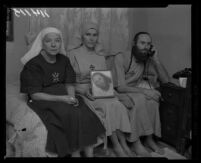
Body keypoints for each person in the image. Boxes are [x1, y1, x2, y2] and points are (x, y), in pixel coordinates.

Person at [20, 27, 105, 157]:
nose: (54, 44)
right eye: (49, 41)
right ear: (42, 43)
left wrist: (71, 97)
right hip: (44, 99)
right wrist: (63, 99)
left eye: (57, 41)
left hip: (64, 94)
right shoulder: (33, 64)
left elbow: (69, 83)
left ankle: (89, 153)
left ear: (61, 43)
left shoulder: (64, 60)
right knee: (69, 113)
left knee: (84, 112)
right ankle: (75, 153)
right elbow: (35, 95)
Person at [68, 22, 133, 157]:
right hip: (83, 92)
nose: (91, 38)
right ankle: (117, 146)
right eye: (88, 34)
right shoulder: (73, 54)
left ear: (97, 37)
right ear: (82, 37)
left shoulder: (100, 56)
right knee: (108, 106)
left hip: (101, 90)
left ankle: (124, 144)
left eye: (94, 35)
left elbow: (105, 80)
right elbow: (67, 82)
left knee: (118, 105)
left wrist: (118, 95)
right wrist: (83, 91)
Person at [114, 32, 170, 156]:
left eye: (148, 44)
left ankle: (149, 139)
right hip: (119, 92)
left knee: (153, 99)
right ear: (134, 44)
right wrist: (145, 91)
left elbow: (166, 80)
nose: (145, 46)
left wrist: (156, 59)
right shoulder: (121, 57)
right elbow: (121, 87)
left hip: (134, 90)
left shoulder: (146, 59)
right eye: (142, 43)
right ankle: (135, 142)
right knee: (140, 98)